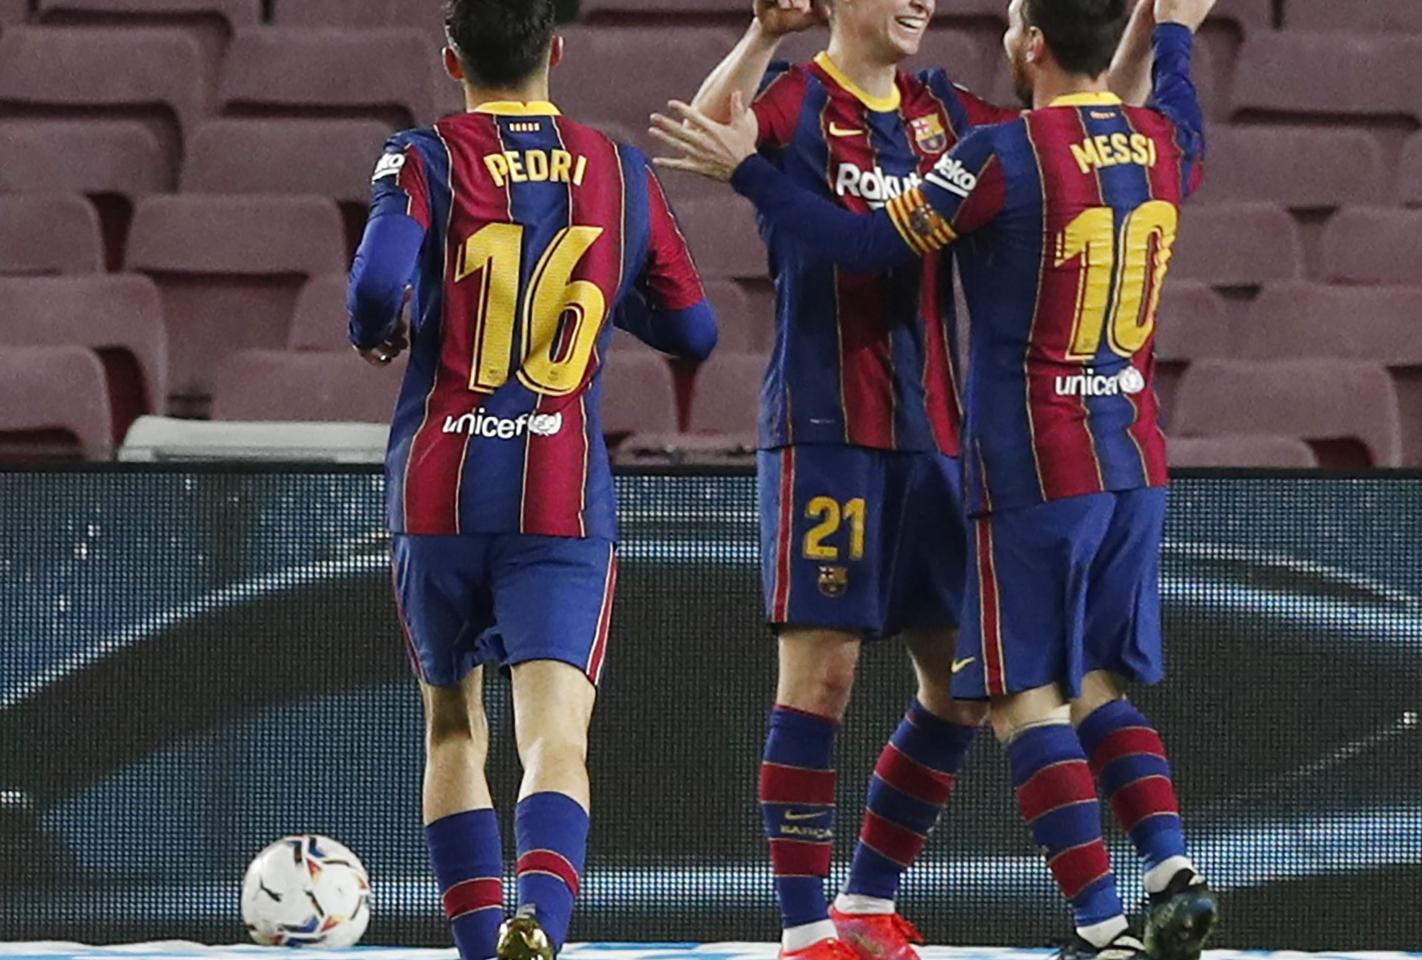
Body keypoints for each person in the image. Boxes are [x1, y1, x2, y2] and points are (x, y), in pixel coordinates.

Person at [650, 0, 1217, 956]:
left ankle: (868, 904)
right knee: (822, 680)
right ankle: (802, 928)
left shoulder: (950, 113)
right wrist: (762, 37)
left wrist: (1147, 29)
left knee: (964, 688)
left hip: (943, 434)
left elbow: (1079, 132)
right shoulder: (796, 97)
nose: (919, 0)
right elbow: (714, 125)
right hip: (829, 430)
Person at [348, 2, 716, 959]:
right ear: (558, 50)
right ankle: (541, 927)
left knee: (451, 732)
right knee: (555, 739)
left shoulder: (422, 157)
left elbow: (374, 291)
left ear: (450, 60)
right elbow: (696, 333)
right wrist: (596, 302)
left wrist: (378, 330)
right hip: (557, 490)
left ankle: (478, 948)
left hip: (440, 486)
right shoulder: (619, 169)